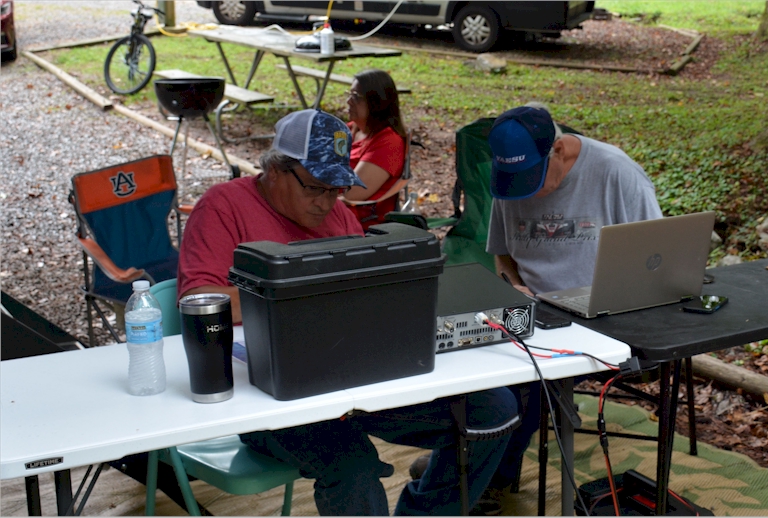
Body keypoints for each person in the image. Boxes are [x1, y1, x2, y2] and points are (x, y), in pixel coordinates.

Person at [177, 108, 519, 516]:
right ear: (274, 170)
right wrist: (291, 294)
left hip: (357, 382)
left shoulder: (338, 214)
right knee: (352, 466)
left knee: (493, 410)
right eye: (315, 187)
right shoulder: (224, 206)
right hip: (272, 399)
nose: (327, 202)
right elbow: (198, 298)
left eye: (337, 189)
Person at [483, 102, 664, 505]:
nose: (524, 190)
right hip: (531, 306)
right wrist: (512, 285)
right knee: (474, 367)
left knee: (526, 387)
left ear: (559, 151)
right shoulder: (510, 182)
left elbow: (658, 260)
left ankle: (482, 473)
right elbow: (503, 257)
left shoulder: (616, 173)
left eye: (533, 177)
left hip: (605, 314)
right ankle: (467, 459)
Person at [341, 69, 407, 231]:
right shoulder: (350, 130)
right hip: (329, 204)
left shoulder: (388, 143)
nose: (349, 101)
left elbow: (352, 192)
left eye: (356, 97)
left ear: (377, 103)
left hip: (358, 221)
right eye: (349, 94)